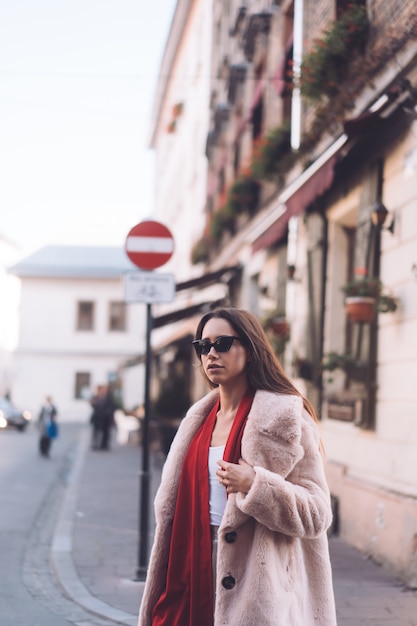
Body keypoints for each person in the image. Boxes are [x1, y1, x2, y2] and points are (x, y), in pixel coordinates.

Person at [138, 307, 337, 626]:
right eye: (203, 346)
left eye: (223, 343)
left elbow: (318, 515)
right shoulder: (196, 422)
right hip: (190, 572)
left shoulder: (285, 419)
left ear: (251, 348)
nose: (211, 354)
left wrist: (256, 485)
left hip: (256, 593)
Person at [90, 384, 116, 450]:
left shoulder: (108, 398)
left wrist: (107, 413)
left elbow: (112, 406)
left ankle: (104, 444)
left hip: (105, 417)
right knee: (96, 431)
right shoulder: (96, 397)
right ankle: (96, 444)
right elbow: (93, 406)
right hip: (97, 417)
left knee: (105, 432)